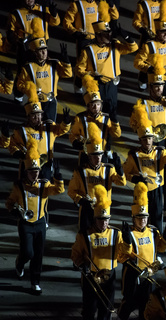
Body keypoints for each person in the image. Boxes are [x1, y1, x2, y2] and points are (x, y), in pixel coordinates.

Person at [130, 56, 166, 211]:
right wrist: (140, 126)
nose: (158, 89)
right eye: (155, 86)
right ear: (150, 87)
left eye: (161, 86)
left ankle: (162, 204)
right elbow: (132, 124)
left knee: (165, 175)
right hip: (150, 143)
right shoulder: (143, 104)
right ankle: (144, 205)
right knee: (147, 174)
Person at [6, 140, 64, 295]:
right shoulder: (19, 186)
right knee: (28, 252)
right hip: (25, 223)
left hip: (40, 222)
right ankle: (20, 262)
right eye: (32, 171)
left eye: (37, 171)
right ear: (26, 172)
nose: (35, 174)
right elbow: (10, 202)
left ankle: (35, 282)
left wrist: (58, 178)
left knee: (38, 254)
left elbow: (58, 191)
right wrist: (13, 210)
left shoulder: (44, 185)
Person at [117, 182, 166, 320]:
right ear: (133, 218)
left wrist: (165, 239)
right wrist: (127, 242)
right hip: (132, 275)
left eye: (144, 217)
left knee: (145, 304)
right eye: (139, 218)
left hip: (149, 275)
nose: (142, 221)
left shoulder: (153, 231)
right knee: (128, 303)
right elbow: (121, 256)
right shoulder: (127, 232)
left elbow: (159, 248)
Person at [71, 184, 123, 320]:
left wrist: (128, 242)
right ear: (95, 219)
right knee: (89, 309)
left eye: (106, 220)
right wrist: (81, 264)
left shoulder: (116, 233)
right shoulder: (84, 234)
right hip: (90, 276)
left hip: (109, 275)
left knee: (106, 309)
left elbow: (124, 255)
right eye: (101, 220)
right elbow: (75, 254)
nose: (104, 223)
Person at [123, 109, 166, 233]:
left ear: (153, 139)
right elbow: (124, 173)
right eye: (144, 139)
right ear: (140, 140)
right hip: (142, 192)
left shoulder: (160, 151)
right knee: (141, 221)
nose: (148, 142)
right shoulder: (134, 155)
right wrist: (134, 178)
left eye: (150, 138)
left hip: (157, 191)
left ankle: (157, 246)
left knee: (157, 220)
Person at [75, 15, 138, 116]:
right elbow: (79, 70)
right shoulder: (88, 50)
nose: (109, 36)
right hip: (96, 86)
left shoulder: (114, 45)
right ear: (98, 35)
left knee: (112, 112)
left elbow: (133, 48)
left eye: (110, 33)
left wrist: (126, 37)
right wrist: (92, 77)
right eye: (106, 34)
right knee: (97, 113)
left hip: (112, 85)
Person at [68, 122, 126, 231]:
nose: (98, 158)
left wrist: (120, 171)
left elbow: (122, 183)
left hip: (103, 211)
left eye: (100, 155)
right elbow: (71, 191)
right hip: (87, 211)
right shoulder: (80, 172)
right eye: (95, 155)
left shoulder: (108, 169)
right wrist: (80, 200)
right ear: (89, 156)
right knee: (85, 238)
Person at [9, 85, 71, 180]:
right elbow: (12, 145)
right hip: (28, 167)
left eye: (39, 115)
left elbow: (61, 130)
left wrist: (66, 123)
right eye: (34, 116)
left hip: (45, 165)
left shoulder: (49, 126)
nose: (37, 118)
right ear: (28, 117)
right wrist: (18, 153)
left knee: (44, 191)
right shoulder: (21, 130)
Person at [16, 18, 72, 122]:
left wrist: (66, 61)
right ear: (34, 53)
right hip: (35, 102)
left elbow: (67, 75)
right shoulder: (28, 67)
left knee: (49, 128)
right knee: (36, 127)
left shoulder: (54, 63)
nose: (44, 53)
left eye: (45, 50)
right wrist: (30, 90)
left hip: (50, 102)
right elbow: (19, 84)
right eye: (41, 51)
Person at [7, 0, 60, 103]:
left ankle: (42, 96)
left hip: (41, 46)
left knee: (42, 70)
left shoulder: (43, 9)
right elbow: (10, 32)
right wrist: (17, 39)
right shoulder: (16, 13)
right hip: (25, 47)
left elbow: (55, 22)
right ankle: (18, 95)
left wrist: (54, 14)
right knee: (23, 71)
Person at [63, 0, 119, 93]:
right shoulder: (77, 4)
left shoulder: (100, 4)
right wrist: (75, 32)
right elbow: (66, 22)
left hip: (99, 38)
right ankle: (78, 84)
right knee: (82, 64)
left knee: (97, 63)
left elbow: (115, 16)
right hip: (84, 39)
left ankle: (95, 88)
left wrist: (112, 5)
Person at [69, 75, 121, 163]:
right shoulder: (80, 118)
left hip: (102, 154)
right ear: (88, 106)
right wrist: (75, 142)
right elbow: (73, 134)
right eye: (93, 105)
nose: (96, 107)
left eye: (98, 104)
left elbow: (117, 134)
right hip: (85, 154)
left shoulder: (106, 118)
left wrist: (115, 122)